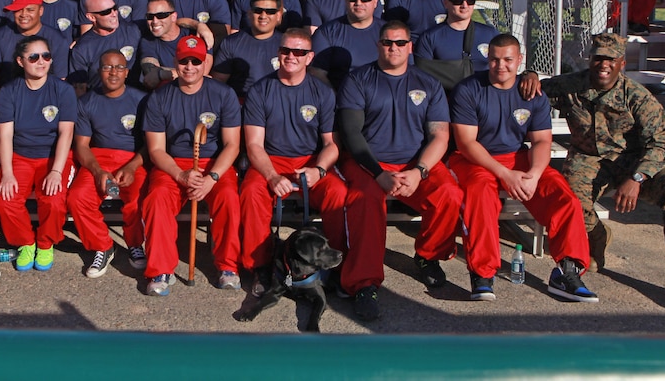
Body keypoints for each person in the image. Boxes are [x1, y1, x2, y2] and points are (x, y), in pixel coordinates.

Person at [519, 33, 665, 316]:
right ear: (591, 59)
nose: (603, 64)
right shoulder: (573, 84)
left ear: (621, 63)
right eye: (598, 58)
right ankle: (596, 236)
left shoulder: (637, 97)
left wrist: (637, 179)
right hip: (590, 159)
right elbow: (536, 87)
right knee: (569, 197)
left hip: (636, 163)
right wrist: (529, 74)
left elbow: (661, 144)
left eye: (610, 59)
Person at [450, 34, 596, 303]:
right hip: (476, 158)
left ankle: (568, 271)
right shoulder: (469, 89)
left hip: (518, 158)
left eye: (508, 60)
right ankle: (482, 273)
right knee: (480, 195)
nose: (500, 66)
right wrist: (505, 175)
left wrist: (534, 175)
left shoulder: (532, 93)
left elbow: (541, 140)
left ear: (520, 60)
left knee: (563, 197)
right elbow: (466, 142)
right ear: (487, 58)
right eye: (494, 59)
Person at [335, 21, 462, 321]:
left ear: (410, 46)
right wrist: (378, 173)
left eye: (400, 43)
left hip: (412, 164)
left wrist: (420, 171)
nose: (394, 48)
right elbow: (352, 133)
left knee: (449, 193)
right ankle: (364, 284)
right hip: (369, 163)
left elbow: (440, 136)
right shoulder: (358, 79)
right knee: (365, 203)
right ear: (378, 45)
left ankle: (428, 256)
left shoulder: (427, 83)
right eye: (388, 43)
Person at [239, 29, 347, 294]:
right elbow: (254, 144)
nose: (291, 56)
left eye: (298, 52)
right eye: (286, 50)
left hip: (310, 161)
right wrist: (271, 176)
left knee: (338, 192)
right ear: (278, 53)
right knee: (252, 192)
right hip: (271, 159)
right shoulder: (260, 90)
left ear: (309, 57)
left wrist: (319, 170)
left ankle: (337, 265)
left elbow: (332, 145)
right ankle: (260, 267)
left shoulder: (322, 92)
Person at [141, 36, 242, 295]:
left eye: (195, 61)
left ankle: (228, 266)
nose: (189, 67)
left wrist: (212, 179)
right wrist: (181, 175)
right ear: (175, 61)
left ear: (205, 63)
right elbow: (155, 150)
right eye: (184, 60)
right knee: (157, 198)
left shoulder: (224, 94)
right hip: (173, 164)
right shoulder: (160, 97)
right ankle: (160, 270)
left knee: (229, 197)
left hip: (213, 165)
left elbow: (232, 145)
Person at [0, 37, 78, 273]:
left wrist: (55, 171)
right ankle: (25, 242)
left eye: (46, 56)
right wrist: (8, 173)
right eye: (33, 57)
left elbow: (66, 134)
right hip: (19, 156)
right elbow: (6, 135)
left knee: (53, 198)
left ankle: (45, 242)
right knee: (5, 197)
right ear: (21, 61)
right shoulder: (9, 91)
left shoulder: (63, 90)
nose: (41, 62)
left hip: (53, 157)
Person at [69, 50, 149, 277]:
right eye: (107, 67)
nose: (113, 73)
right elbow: (82, 145)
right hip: (99, 158)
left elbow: (152, 145)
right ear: (99, 71)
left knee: (136, 198)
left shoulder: (141, 100)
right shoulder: (86, 102)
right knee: (78, 198)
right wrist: (97, 171)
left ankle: (135, 244)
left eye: (119, 67)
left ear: (127, 72)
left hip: (133, 159)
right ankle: (103, 245)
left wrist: (132, 167)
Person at [413, 0, 500, 91]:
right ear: (446, 2)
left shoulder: (490, 34)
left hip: (485, 98)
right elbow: (422, 78)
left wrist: (529, 74)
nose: (464, 5)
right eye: (458, 0)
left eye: (470, 0)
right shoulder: (430, 38)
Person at [0, 0, 69, 86]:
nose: (23, 14)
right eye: (18, 10)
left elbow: (60, 81)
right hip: (8, 95)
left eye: (30, 10)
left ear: (40, 11)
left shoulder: (57, 40)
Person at [311, 0, 383, 89]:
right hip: (339, 99)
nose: (358, 3)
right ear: (346, 0)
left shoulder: (387, 33)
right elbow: (317, 72)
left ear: (375, 1)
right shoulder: (326, 32)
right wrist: (336, 98)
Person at [211, 0, 282, 99]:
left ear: (278, 16)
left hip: (277, 103)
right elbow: (218, 83)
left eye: (270, 11)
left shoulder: (286, 45)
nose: (263, 16)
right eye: (258, 11)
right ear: (249, 14)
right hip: (242, 105)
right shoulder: (231, 43)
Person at [69, 0, 141, 95]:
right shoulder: (82, 49)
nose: (114, 14)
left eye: (115, 8)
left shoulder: (133, 31)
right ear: (91, 17)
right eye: (106, 12)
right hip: (99, 100)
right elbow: (80, 88)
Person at [139, 0, 215, 90]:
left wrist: (161, 74)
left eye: (161, 16)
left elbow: (203, 72)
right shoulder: (148, 41)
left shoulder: (195, 35)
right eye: (150, 17)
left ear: (173, 17)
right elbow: (150, 73)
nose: (155, 21)